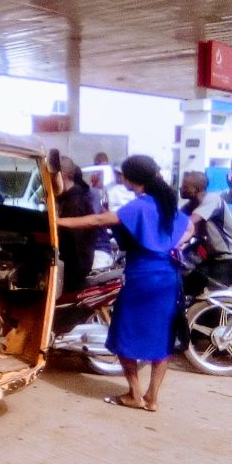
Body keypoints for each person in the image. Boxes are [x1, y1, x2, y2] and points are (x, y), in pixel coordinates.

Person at [57, 155, 192, 412]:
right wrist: (173, 244)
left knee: (122, 334)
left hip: (142, 277)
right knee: (163, 337)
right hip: (169, 278)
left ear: (130, 178)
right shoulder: (167, 205)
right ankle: (152, 398)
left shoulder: (139, 206)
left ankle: (134, 394)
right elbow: (190, 228)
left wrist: (56, 221)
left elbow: (98, 220)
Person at [179, 171, 232, 296]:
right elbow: (175, 222)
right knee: (188, 283)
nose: (181, 189)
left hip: (229, 258)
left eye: (185, 186)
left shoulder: (212, 199)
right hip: (213, 257)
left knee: (214, 296)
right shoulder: (191, 205)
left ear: (196, 188)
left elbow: (189, 222)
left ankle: (216, 315)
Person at [56, 156, 96, 291]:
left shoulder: (75, 201)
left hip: (73, 269)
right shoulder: (66, 198)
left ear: (63, 175)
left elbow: (74, 242)